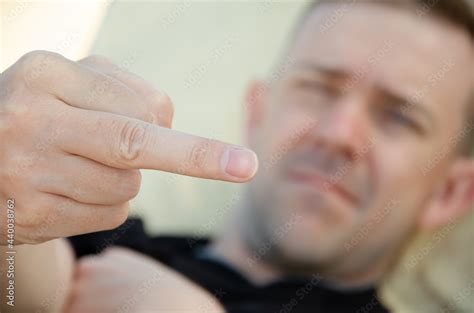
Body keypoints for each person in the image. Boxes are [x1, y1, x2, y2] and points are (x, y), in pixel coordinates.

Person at [1, 0, 473, 312]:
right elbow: (24, 283)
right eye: (318, 88)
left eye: (399, 117)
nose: (338, 133)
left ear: (450, 193)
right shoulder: (103, 241)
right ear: (257, 111)